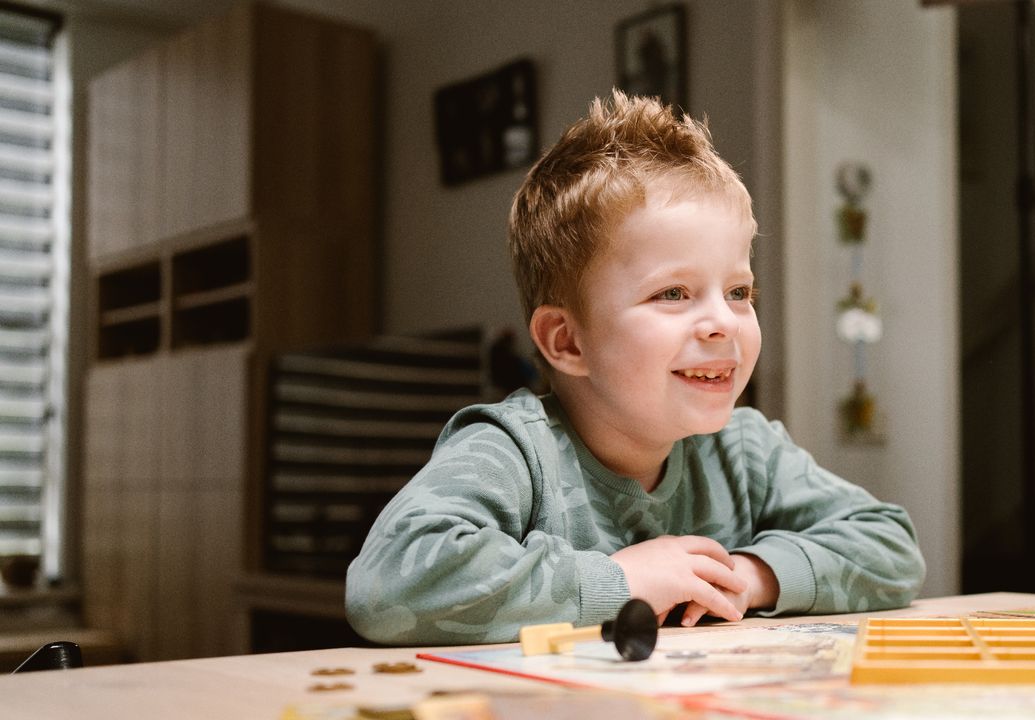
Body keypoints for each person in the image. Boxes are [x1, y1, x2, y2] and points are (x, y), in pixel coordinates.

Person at [345, 91, 925, 645]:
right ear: (567, 341)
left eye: (739, 291)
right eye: (673, 293)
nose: (722, 322)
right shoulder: (513, 451)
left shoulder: (744, 451)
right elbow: (388, 584)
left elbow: (891, 545)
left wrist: (749, 575)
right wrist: (621, 582)